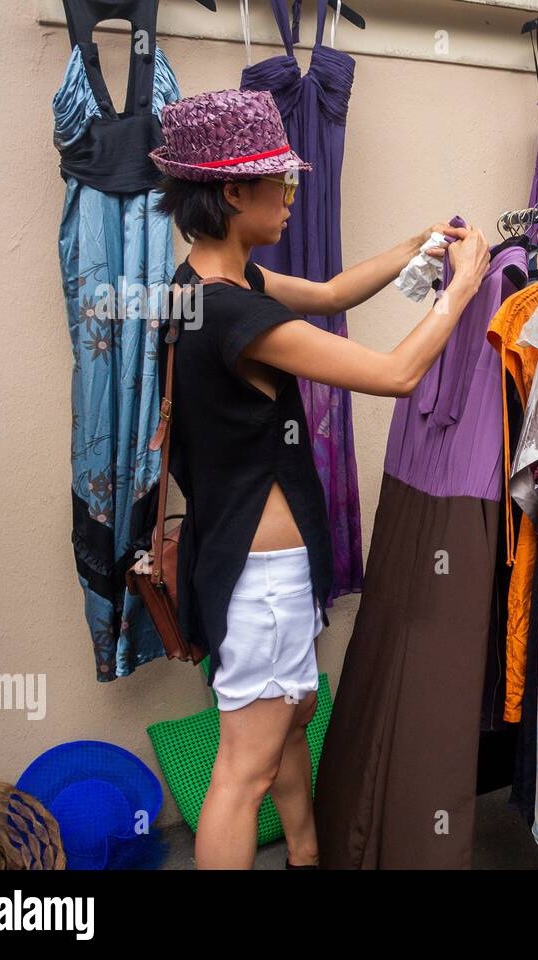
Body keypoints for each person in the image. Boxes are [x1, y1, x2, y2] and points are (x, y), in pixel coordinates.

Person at [147, 88, 490, 869]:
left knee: (290, 722)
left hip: (247, 562)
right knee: (243, 768)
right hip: (260, 577)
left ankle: (306, 854)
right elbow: (397, 374)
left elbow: (334, 294)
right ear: (233, 192)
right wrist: (464, 285)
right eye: (280, 182)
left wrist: (418, 246)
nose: (292, 196)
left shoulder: (203, 290)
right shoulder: (238, 318)